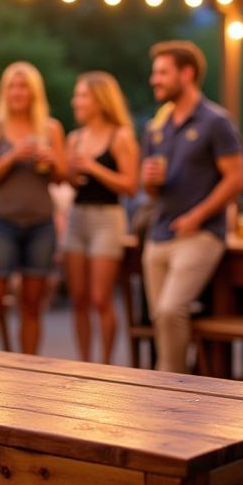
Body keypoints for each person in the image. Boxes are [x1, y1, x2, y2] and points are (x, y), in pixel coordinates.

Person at [139, 40, 243, 373]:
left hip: (201, 235)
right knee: (160, 318)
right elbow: (149, 189)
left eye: (162, 72)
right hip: (159, 233)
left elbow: (236, 179)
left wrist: (197, 216)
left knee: (171, 310)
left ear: (187, 74)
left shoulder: (216, 121)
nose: (154, 79)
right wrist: (149, 180)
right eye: (154, 73)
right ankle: (174, 381)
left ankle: (170, 387)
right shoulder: (157, 126)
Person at [0, 62, 66, 354]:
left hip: (41, 223)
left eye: (23, 86)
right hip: (3, 222)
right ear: (4, 91)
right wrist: (12, 155)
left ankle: (27, 373)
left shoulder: (51, 128)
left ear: (34, 92)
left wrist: (52, 159)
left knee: (32, 305)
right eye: (12, 86)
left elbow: (64, 177)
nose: (17, 91)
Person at [63, 71, 138, 363]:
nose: (75, 101)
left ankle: (104, 365)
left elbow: (131, 186)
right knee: (78, 298)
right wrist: (70, 172)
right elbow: (70, 182)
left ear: (99, 99)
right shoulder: (75, 138)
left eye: (82, 95)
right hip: (76, 216)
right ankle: (83, 362)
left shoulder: (121, 136)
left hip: (108, 218)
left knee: (99, 298)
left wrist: (93, 167)